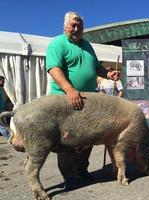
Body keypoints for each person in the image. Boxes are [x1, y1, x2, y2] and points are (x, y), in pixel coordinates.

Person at [46, 11, 120, 190]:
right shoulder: (57, 43)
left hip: (88, 100)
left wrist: (108, 74)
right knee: (68, 140)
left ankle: (82, 169)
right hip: (65, 100)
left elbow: (96, 67)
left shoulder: (87, 45)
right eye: (73, 25)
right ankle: (70, 176)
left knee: (88, 137)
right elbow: (53, 69)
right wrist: (70, 90)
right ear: (65, 26)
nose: (77, 28)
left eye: (80, 25)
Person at [0, 75, 10, 142]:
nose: (4, 83)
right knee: (2, 126)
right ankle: (9, 138)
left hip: (1, 110)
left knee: (2, 125)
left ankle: (9, 138)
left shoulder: (0, 89)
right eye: (2, 81)